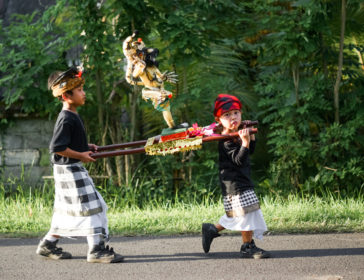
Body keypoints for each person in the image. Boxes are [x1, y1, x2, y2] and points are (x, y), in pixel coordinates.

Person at [36, 67, 124, 263]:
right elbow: (57, 147)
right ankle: (96, 250)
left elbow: (68, 143)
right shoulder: (66, 117)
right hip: (69, 170)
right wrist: (81, 155)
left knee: (73, 209)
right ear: (67, 96)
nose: (84, 94)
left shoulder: (72, 114)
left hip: (70, 169)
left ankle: (48, 244)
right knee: (92, 206)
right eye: (80, 91)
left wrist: (86, 147)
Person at [202, 94, 270, 259]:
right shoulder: (226, 140)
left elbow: (249, 153)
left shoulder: (235, 135)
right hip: (235, 185)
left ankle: (212, 229)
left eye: (236, 113)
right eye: (227, 115)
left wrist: (250, 138)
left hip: (243, 181)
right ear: (219, 120)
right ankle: (247, 246)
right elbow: (239, 160)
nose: (233, 117)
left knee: (243, 214)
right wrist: (244, 142)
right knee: (246, 214)